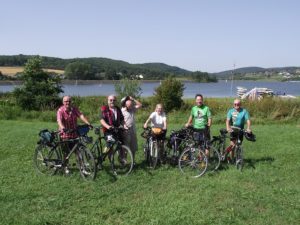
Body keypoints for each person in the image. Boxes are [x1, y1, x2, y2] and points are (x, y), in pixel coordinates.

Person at [57, 95, 92, 174]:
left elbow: (81, 116)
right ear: (63, 102)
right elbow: (59, 121)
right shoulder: (60, 110)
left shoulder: (74, 109)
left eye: (69, 101)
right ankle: (66, 167)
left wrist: (88, 123)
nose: (68, 103)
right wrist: (63, 128)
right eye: (66, 101)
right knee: (66, 153)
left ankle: (82, 169)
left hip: (74, 134)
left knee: (78, 152)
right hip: (65, 135)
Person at [121, 96, 142, 163]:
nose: (131, 106)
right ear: (125, 105)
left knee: (133, 147)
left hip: (133, 131)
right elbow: (120, 120)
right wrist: (124, 126)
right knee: (126, 147)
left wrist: (133, 99)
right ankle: (124, 160)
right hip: (126, 131)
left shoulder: (132, 109)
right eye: (129, 105)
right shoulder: (122, 111)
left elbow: (140, 105)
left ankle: (133, 161)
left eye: (131, 105)